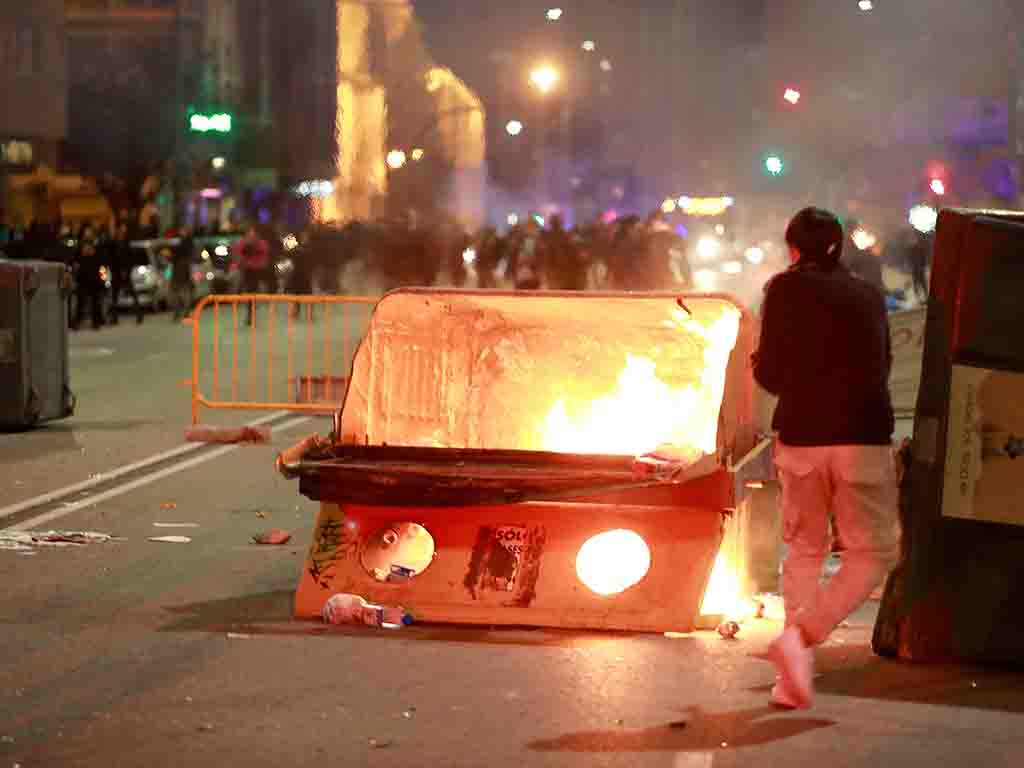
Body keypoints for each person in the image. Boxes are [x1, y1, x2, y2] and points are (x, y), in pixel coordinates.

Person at [753, 207, 899, 710]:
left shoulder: (782, 290)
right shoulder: (866, 295)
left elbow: (770, 375)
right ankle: (801, 640)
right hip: (862, 436)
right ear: (841, 248)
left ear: (793, 249)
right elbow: (884, 364)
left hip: (802, 435)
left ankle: (793, 662)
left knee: (805, 549)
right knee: (872, 553)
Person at [107, 222, 144, 325]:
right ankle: (114, 317)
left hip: (125, 272)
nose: (122, 232)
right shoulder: (113, 243)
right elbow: (111, 258)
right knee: (115, 296)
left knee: (132, 294)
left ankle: (139, 315)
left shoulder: (126, 243)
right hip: (116, 272)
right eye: (121, 230)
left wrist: (127, 270)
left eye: (124, 230)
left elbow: (130, 258)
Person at [71, 226, 105, 331]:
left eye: (89, 232)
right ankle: (77, 322)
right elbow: (75, 261)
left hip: (94, 277)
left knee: (96, 302)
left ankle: (96, 322)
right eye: (86, 232)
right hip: (83, 277)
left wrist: (102, 277)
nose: (88, 234)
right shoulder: (79, 246)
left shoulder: (96, 245)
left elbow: (101, 261)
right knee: (81, 302)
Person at [235, 226, 271, 324]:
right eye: (250, 233)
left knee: (253, 291)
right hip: (248, 270)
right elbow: (238, 252)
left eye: (253, 233)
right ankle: (250, 313)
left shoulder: (261, 244)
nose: (251, 235)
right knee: (249, 291)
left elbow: (264, 256)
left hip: (256, 271)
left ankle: (251, 313)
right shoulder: (244, 242)